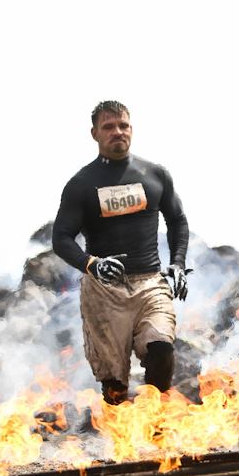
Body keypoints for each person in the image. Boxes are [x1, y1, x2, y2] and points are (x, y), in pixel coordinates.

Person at [52, 100, 191, 404]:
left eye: (123, 125)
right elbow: (60, 238)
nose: (117, 131)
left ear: (132, 129)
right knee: (115, 387)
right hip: (104, 292)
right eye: (108, 126)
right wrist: (91, 264)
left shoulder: (155, 174)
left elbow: (177, 220)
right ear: (94, 134)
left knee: (161, 349)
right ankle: (120, 427)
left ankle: (157, 420)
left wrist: (178, 263)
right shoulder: (81, 184)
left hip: (150, 284)